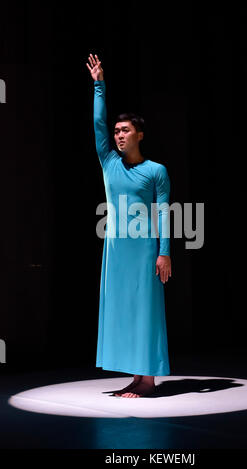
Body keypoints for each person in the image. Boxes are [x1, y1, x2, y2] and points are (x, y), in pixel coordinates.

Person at [86, 53, 172, 398]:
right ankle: (137, 376)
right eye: (117, 131)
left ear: (139, 134)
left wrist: (165, 253)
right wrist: (99, 86)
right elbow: (97, 125)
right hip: (116, 249)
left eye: (125, 130)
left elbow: (165, 212)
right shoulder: (109, 162)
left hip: (144, 248)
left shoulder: (156, 170)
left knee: (146, 311)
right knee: (122, 310)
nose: (118, 135)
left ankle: (149, 379)